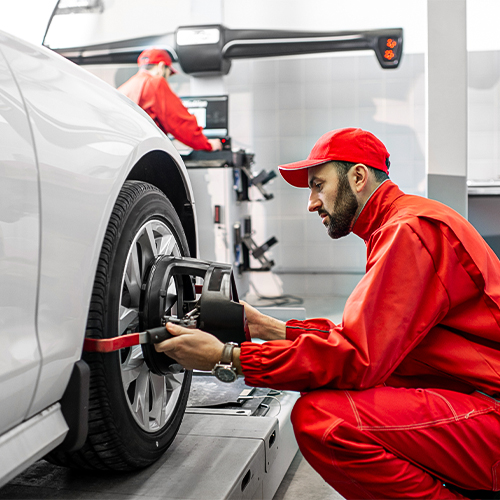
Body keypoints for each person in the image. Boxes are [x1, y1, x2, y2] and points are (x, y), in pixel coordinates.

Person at [155, 127, 500, 499]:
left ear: (357, 176)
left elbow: (356, 357)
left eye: (318, 185)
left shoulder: (408, 231)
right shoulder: (404, 221)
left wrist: (226, 358)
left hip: (490, 414)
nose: (312, 203)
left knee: (322, 418)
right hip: (479, 399)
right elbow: (368, 342)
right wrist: (264, 325)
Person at [118, 48, 222, 152]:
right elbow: (180, 122)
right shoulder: (154, 83)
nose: (167, 79)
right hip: (146, 154)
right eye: (168, 73)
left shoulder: (123, 89)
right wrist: (208, 144)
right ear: (161, 66)